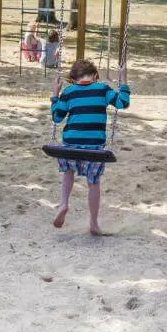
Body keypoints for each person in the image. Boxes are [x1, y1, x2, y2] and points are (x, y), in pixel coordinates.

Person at [50, 59, 130, 235]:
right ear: (95, 76)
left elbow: (57, 117)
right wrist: (122, 78)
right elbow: (122, 103)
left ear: (73, 78)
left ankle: (64, 203)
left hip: (70, 143)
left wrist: (55, 95)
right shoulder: (102, 89)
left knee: (68, 173)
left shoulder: (69, 92)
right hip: (94, 146)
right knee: (93, 183)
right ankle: (93, 223)